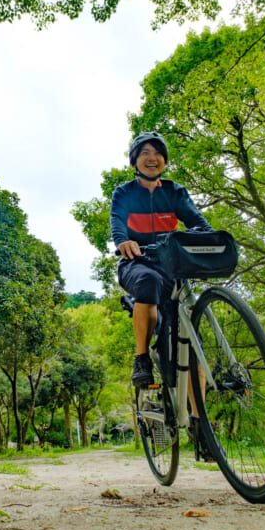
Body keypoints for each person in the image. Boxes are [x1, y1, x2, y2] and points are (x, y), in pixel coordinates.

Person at [110, 131, 212, 388]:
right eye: (145, 153)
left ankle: (199, 423)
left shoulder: (175, 193)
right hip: (136, 262)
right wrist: (123, 241)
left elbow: (199, 224)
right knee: (148, 282)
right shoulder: (124, 193)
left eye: (157, 153)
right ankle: (142, 358)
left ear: (165, 161)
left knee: (191, 343)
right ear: (134, 162)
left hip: (171, 267)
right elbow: (118, 223)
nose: (152, 157)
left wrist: (208, 240)